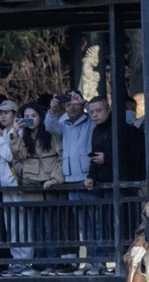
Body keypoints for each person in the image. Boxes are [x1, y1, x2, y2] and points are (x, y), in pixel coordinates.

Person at [45, 89, 95, 270]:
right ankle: (88, 262)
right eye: (68, 103)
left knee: (95, 223)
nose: (72, 106)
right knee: (81, 225)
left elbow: (97, 112)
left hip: (87, 176)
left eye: (75, 102)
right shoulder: (63, 122)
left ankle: (96, 260)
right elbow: (49, 126)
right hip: (70, 179)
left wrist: (85, 102)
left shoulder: (90, 120)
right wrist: (52, 110)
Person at [11, 102, 63, 272]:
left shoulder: (51, 135)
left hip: (50, 186)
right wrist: (15, 133)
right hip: (31, 186)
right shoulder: (22, 138)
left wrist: (55, 178)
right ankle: (40, 263)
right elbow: (17, 156)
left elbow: (62, 158)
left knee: (51, 227)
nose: (30, 120)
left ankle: (53, 263)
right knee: (37, 228)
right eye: (26, 117)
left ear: (40, 117)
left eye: (33, 116)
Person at [0, 100, 32, 273]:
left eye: (6, 113)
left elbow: (10, 155)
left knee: (23, 224)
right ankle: (16, 261)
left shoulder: (19, 131)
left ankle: (26, 261)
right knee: (11, 225)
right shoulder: (1, 133)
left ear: (15, 114)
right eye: (0, 113)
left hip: (18, 184)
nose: (3, 116)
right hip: (5, 185)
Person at [82, 95, 115, 272]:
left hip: (116, 182)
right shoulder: (96, 131)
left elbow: (127, 153)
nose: (95, 115)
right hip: (101, 182)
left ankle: (109, 260)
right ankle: (97, 259)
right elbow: (94, 157)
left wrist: (107, 158)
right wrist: (91, 177)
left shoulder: (117, 129)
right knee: (97, 222)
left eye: (98, 111)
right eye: (91, 112)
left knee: (112, 223)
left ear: (107, 110)